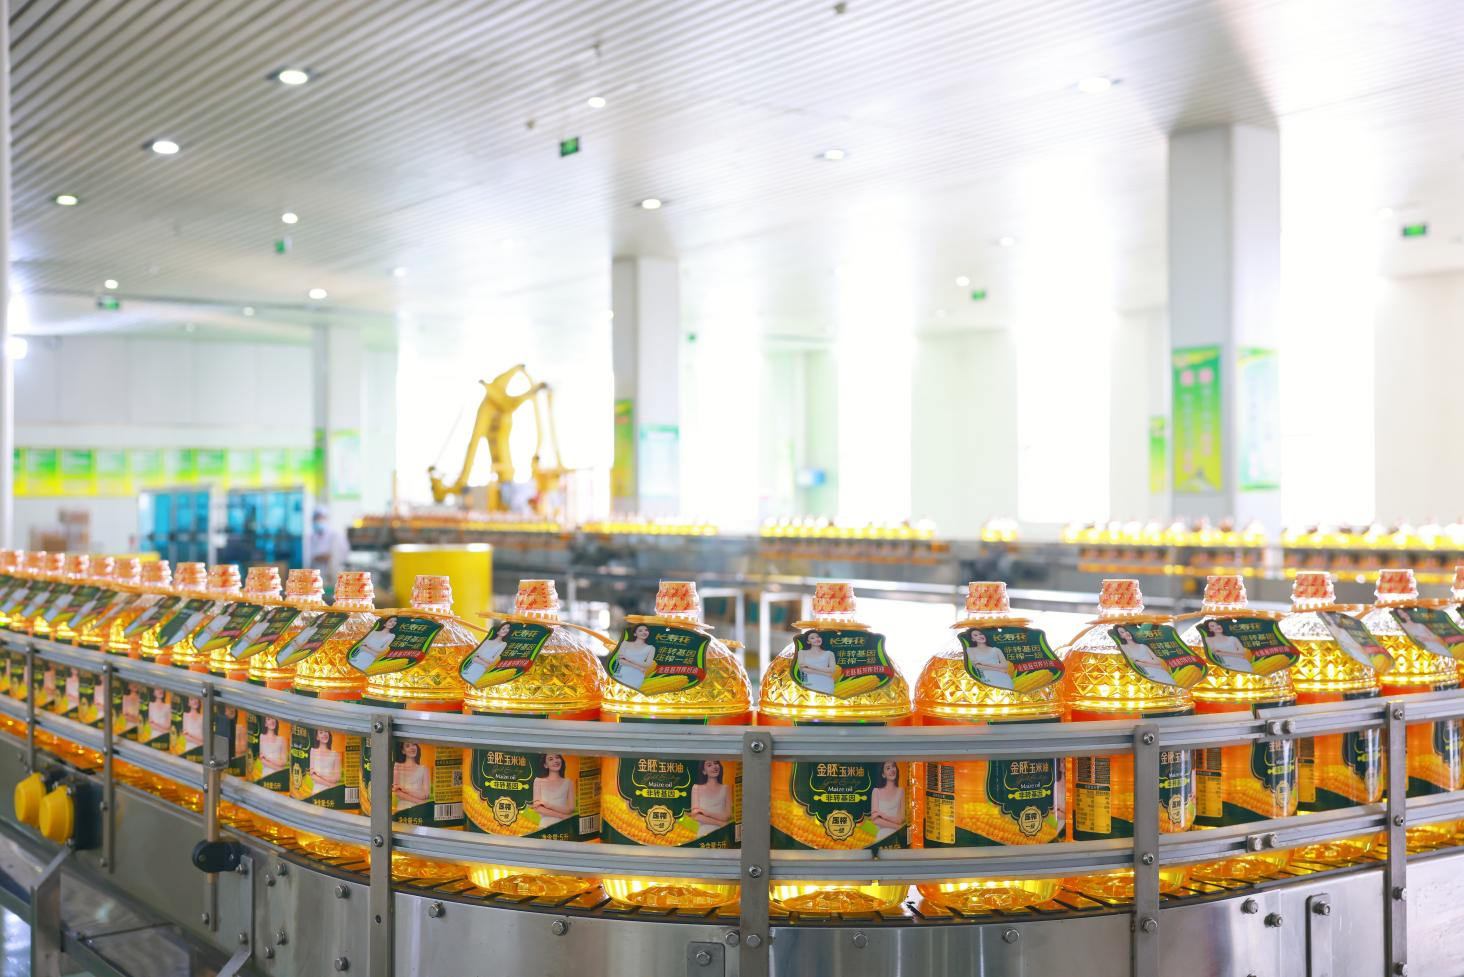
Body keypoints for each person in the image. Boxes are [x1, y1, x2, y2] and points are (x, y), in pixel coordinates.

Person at [530, 753, 576, 827]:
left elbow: (571, 809)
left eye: (557, 757)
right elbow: (538, 808)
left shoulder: (568, 782)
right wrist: (561, 816)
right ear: (545, 765)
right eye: (551, 759)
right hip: (545, 826)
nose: (555, 761)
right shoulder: (538, 781)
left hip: (564, 826)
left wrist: (549, 805)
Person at [308, 507, 351, 585]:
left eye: (320, 518)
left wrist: (329, 557)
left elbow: (342, 555)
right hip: (315, 577)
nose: (318, 521)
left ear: (326, 519)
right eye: (316, 518)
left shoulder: (336, 535)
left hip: (332, 576)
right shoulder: (311, 537)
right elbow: (309, 556)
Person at [690, 759, 731, 837]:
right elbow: (696, 816)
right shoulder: (696, 788)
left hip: (722, 834)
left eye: (716, 763)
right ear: (704, 771)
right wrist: (720, 823)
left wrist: (707, 813)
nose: (714, 767)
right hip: (704, 833)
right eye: (709, 765)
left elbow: (727, 816)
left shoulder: (726, 788)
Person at [613, 624, 658, 690]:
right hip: (622, 673)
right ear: (635, 634)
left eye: (646, 630)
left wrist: (628, 658)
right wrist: (639, 668)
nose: (644, 632)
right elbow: (620, 661)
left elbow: (647, 665)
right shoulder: (625, 643)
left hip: (637, 676)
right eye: (640, 631)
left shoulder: (651, 648)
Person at [870, 760, 906, 838]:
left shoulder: (901, 791)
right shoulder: (876, 791)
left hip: (893, 832)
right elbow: (875, 820)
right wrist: (897, 827)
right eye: (888, 768)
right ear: (883, 774)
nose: (892, 770)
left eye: (893, 766)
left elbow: (900, 819)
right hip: (878, 831)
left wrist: (884, 816)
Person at [795, 630, 839, 695]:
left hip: (826, 684)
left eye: (818, 637)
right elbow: (802, 669)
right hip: (809, 683)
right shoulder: (802, 652)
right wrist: (826, 674)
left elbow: (832, 670)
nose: (816, 639)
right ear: (808, 642)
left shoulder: (829, 653)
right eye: (812, 638)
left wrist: (809, 666)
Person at [392, 740, 431, 810]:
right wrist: (419, 802)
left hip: (420, 810)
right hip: (403, 809)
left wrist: (406, 790)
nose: (412, 748)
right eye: (407, 746)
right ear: (403, 751)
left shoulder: (424, 769)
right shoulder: (397, 766)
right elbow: (397, 792)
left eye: (414, 744)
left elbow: (426, 795)